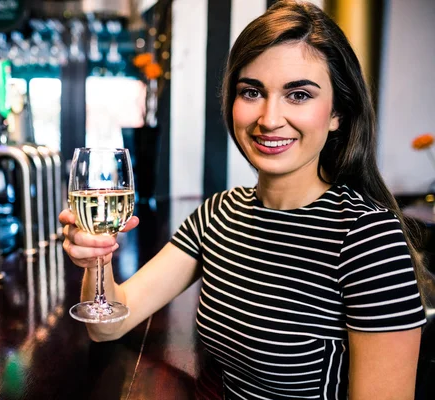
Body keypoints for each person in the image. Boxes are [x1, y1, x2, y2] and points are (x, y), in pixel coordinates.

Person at [59, 1, 429, 399]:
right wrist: (97, 256)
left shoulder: (368, 239)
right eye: (251, 91)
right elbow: (107, 325)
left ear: (338, 112)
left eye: (299, 95)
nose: (269, 118)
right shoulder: (217, 215)